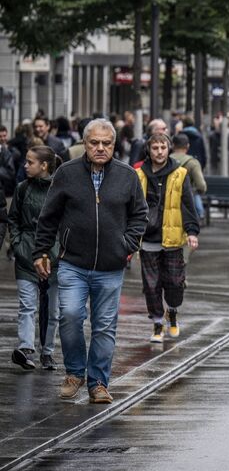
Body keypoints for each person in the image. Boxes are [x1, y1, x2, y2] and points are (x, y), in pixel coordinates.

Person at [34, 118, 148, 403]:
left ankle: (98, 383)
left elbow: (139, 215)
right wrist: (41, 251)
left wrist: (127, 244)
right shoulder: (67, 173)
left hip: (110, 266)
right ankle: (75, 372)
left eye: (106, 143)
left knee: (105, 326)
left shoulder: (127, 176)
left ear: (114, 145)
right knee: (70, 316)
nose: (100, 148)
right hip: (73, 262)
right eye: (94, 143)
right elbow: (49, 216)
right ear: (84, 144)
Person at [137, 133, 201, 343]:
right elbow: (132, 207)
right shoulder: (139, 175)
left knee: (174, 281)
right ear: (149, 149)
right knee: (151, 285)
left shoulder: (180, 174)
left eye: (163, 147)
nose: (159, 152)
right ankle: (157, 323)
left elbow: (187, 204)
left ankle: (172, 311)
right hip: (148, 238)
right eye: (155, 148)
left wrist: (191, 231)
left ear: (169, 149)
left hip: (173, 238)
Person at [9, 146, 63, 371]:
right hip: (26, 257)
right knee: (27, 305)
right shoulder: (22, 188)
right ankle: (26, 348)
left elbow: (64, 226)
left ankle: (48, 352)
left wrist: (54, 255)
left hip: (55, 258)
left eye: (30, 162)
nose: (25, 165)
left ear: (44, 165)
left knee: (53, 310)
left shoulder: (60, 191)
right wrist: (19, 245)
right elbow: (14, 220)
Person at [172, 133, 207, 225]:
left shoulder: (165, 161)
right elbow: (201, 185)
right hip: (186, 203)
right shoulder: (192, 163)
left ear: (173, 145)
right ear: (188, 146)